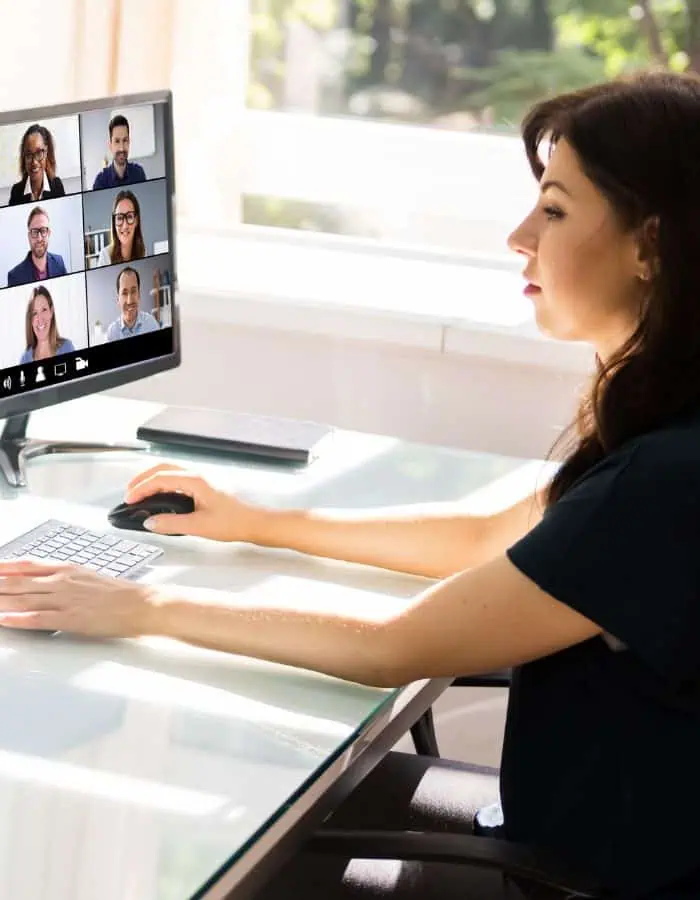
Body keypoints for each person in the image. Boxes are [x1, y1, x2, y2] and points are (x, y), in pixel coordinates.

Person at [1, 70, 700, 899]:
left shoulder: (662, 480)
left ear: (649, 246)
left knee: (219, 859)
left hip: (574, 879)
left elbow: (389, 649)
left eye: (553, 209)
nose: (520, 236)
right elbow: (485, 537)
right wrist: (265, 522)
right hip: (591, 842)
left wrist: (140, 608)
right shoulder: (667, 423)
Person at [7, 207, 67, 287]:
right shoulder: (15, 276)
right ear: (29, 236)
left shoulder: (59, 262)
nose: (39, 238)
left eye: (43, 231)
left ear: (49, 233)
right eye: (35, 232)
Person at [8, 124, 66, 205]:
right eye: (28, 155)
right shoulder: (16, 191)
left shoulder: (57, 187)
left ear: (46, 152)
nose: (34, 162)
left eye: (39, 153)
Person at [19, 285, 75, 364]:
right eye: (35, 313)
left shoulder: (67, 347)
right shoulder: (24, 360)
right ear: (30, 320)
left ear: (51, 312)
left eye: (44, 310)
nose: (40, 318)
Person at [92, 114, 146, 190]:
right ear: (110, 145)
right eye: (117, 141)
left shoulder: (139, 173)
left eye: (125, 140)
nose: (121, 148)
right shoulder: (101, 182)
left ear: (129, 142)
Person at [106, 266, 159, 341]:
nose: (129, 301)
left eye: (133, 291)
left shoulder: (151, 324)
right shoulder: (112, 333)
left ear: (139, 295)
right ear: (118, 299)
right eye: (124, 293)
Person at [96, 190, 146, 267]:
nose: (125, 226)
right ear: (114, 222)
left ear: (136, 220)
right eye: (119, 218)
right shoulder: (105, 256)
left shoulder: (144, 253)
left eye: (129, 216)